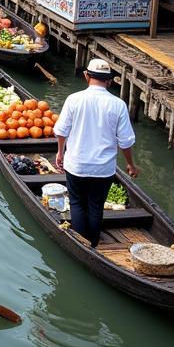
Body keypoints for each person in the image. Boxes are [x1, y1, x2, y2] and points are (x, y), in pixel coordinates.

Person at [54, 58, 138, 248]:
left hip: (77, 164)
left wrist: (60, 153)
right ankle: (92, 244)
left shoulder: (74, 99)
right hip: (103, 169)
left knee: (77, 203)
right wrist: (131, 165)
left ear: (86, 76)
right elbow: (125, 141)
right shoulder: (118, 105)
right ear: (108, 81)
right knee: (95, 206)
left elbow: (61, 131)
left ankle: (80, 245)